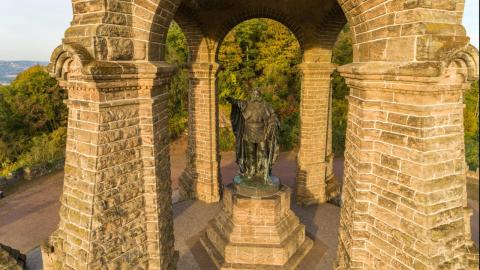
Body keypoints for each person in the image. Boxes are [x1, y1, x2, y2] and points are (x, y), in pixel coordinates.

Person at [227, 87, 280, 184]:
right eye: (254, 94)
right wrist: (231, 100)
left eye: (257, 94)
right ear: (252, 95)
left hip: (262, 132)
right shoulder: (246, 104)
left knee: (264, 152)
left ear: (260, 95)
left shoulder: (266, 106)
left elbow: (273, 116)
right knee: (250, 152)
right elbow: (238, 103)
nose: (255, 96)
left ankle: (265, 171)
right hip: (248, 132)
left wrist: (273, 123)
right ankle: (251, 170)